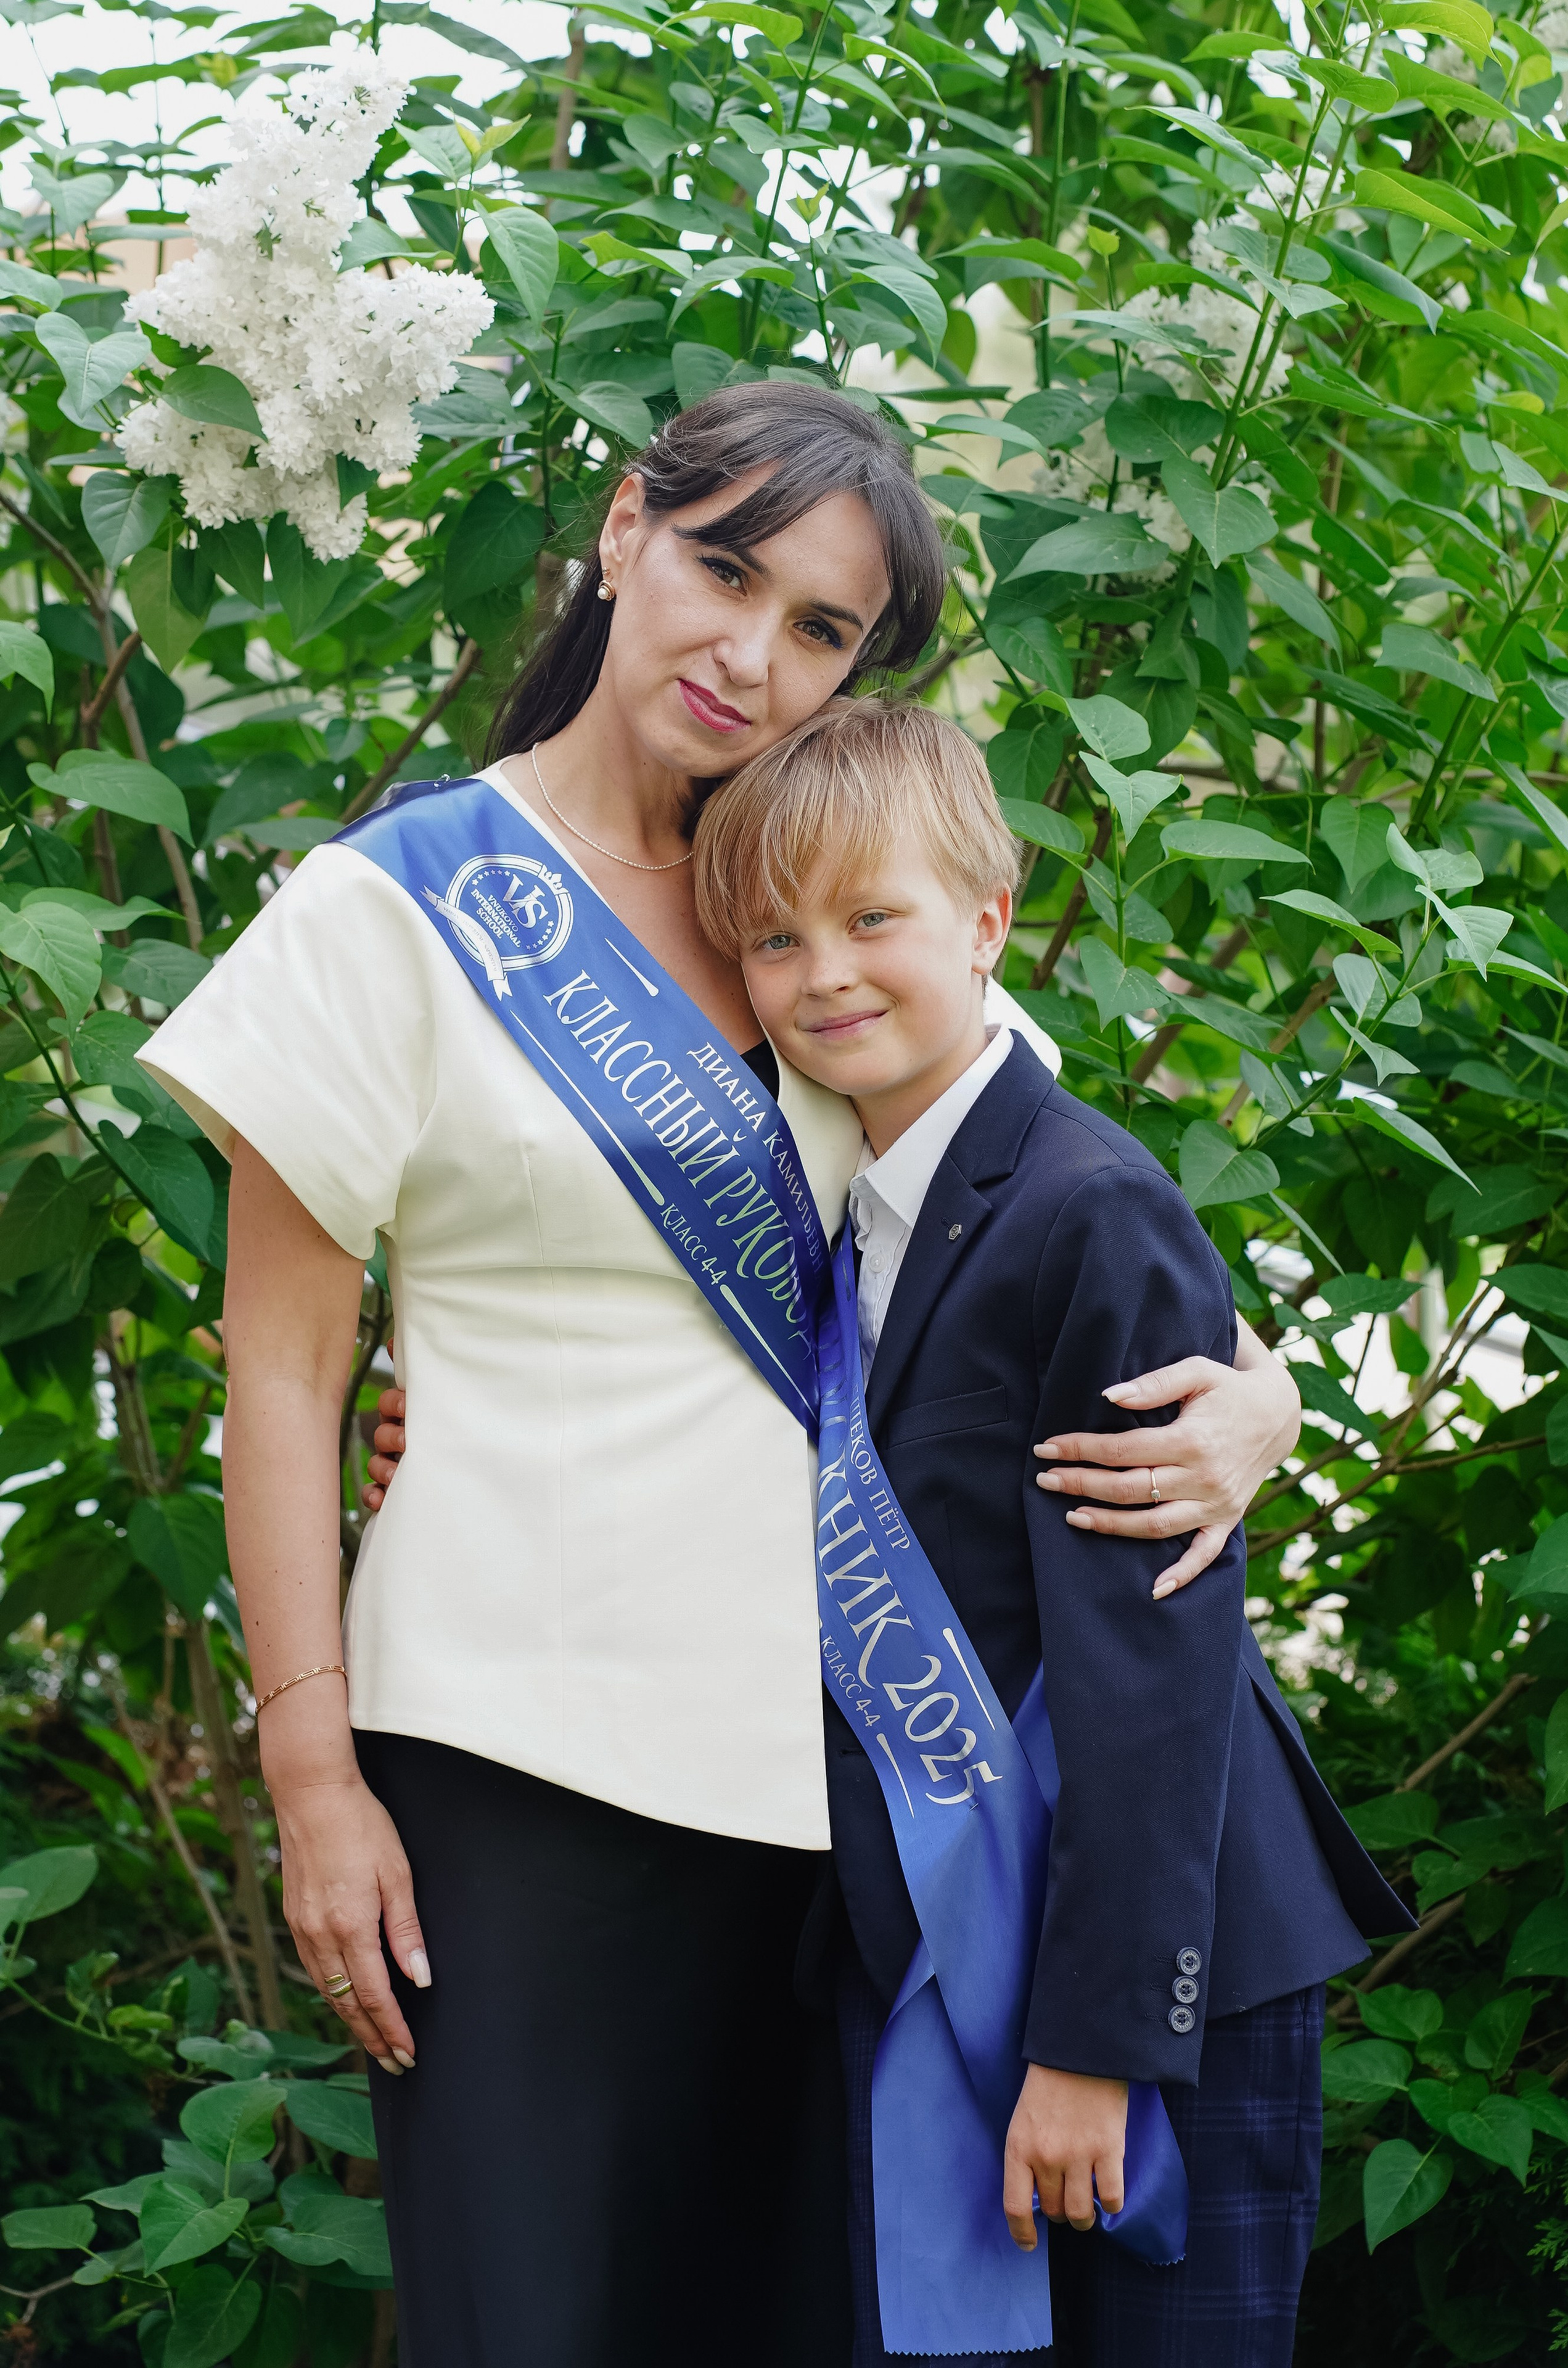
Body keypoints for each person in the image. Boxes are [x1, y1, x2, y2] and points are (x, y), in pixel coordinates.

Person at [136, 382, 1302, 2368]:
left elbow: (1053, 1215)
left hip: (851, 1818)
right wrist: (309, 1764)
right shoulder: (397, 909)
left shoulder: (820, 906)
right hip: (519, 1774)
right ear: (622, 533)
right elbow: (283, 1371)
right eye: (725, 568)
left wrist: (1260, 1395)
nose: (751, 653)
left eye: (826, 629)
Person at [686, 697, 1409, 2368]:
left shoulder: (1089, 1207)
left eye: (875, 920)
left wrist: (1099, 2048)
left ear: (990, 919)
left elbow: (1155, 1661)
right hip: (962, 1940)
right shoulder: (843, 1217)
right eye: (778, 941)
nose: (826, 975)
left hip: (1161, 1969)